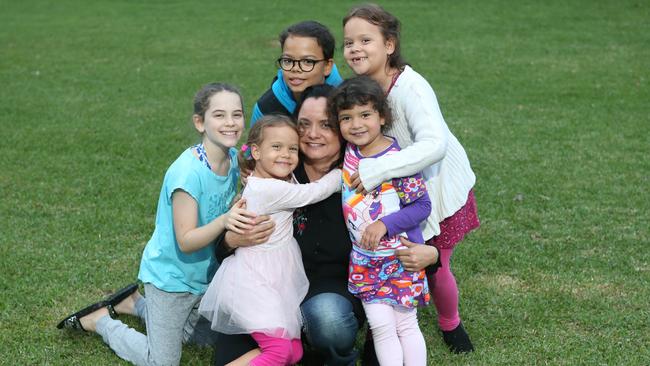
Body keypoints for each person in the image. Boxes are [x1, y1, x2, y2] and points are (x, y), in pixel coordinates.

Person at [57, 83, 257, 365]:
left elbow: (223, 200)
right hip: (172, 280)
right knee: (162, 361)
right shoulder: (187, 175)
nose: (230, 123)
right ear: (200, 122)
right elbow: (186, 240)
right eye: (219, 115)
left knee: (206, 339)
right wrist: (226, 219)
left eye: (237, 115)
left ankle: (134, 303)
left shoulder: (234, 158)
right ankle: (100, 320)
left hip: (206, 277)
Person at [213, 84, 389, 366]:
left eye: (325, 125)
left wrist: (428, 257)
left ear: (343, 128)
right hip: (265, 284)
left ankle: (327, 351)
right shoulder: (278, 169)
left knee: (327, 319)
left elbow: (400, 226)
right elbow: (221, 247)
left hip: (331, 288)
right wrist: (233, 239)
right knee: (232, 354)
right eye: (304, 125)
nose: (312, 134)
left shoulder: (364, 177)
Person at [341, 4, 480, 353]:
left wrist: (377, 170)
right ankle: (383, 328)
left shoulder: (411, 87)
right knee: (392, 256)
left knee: (434, 263)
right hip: (391, 193)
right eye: (348, 42)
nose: (355, 48)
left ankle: (451, 323)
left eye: (365, 40)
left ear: (389, 45)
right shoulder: (360, 89)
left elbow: (434, 144)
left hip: (436, 186)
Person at [199, 114, 342, 366]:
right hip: (255, 279)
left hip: (274, 274)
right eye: (276, 147)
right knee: (278, 351)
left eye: (292, 149)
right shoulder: (268, 189)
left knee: (294, 351)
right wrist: (340, 174)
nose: (285, 155)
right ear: (256, 151)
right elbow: (314, 192)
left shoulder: (271, 179)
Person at [330, 76, 431, 365]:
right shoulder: (351, 152)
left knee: (405, 326)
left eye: (365, 115)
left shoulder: (398, 161)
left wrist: (384, 224)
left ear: (382, 116)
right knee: (381, 327)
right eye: (346, 118)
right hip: (364, 259)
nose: (356, 124)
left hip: (399, 257)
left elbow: (422, 205)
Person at [250, 20, 343, 126]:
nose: (295, 69)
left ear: (327, 66)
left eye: (308, 61)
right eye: (288, 61)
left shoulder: (344, 101)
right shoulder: (266, 109)